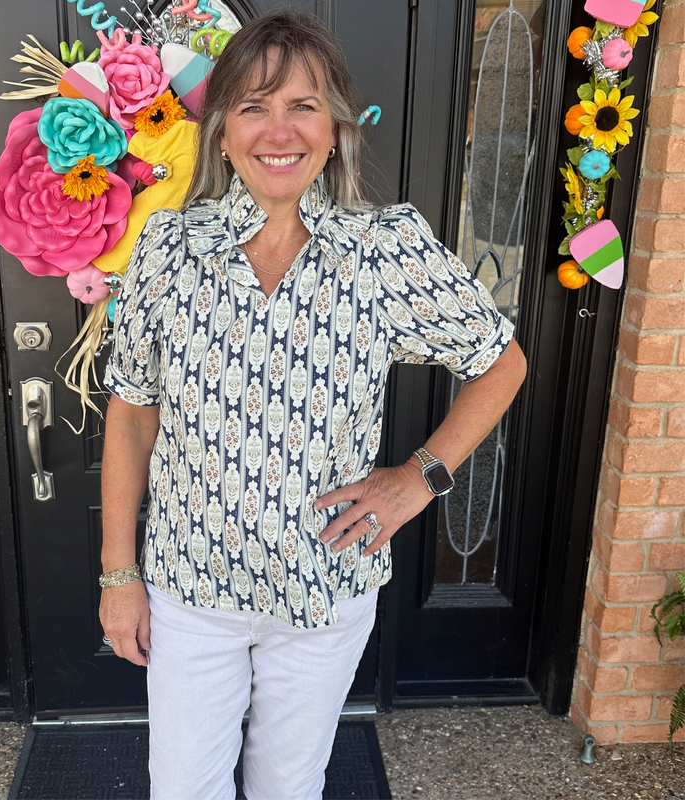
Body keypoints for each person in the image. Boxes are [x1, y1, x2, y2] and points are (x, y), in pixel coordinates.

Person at [99, 10, 527, 800]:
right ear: (221, 129)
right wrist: (117, 573)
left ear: (335, 127)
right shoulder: (168, 245)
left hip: (325, 586)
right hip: (193, 588)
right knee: (182, 788)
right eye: (254, 106)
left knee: (289, 786)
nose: (278, 130)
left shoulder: (385, 248)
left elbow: (501, 362)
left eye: (302, 105)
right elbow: (131, 411)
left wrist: (420, 476)